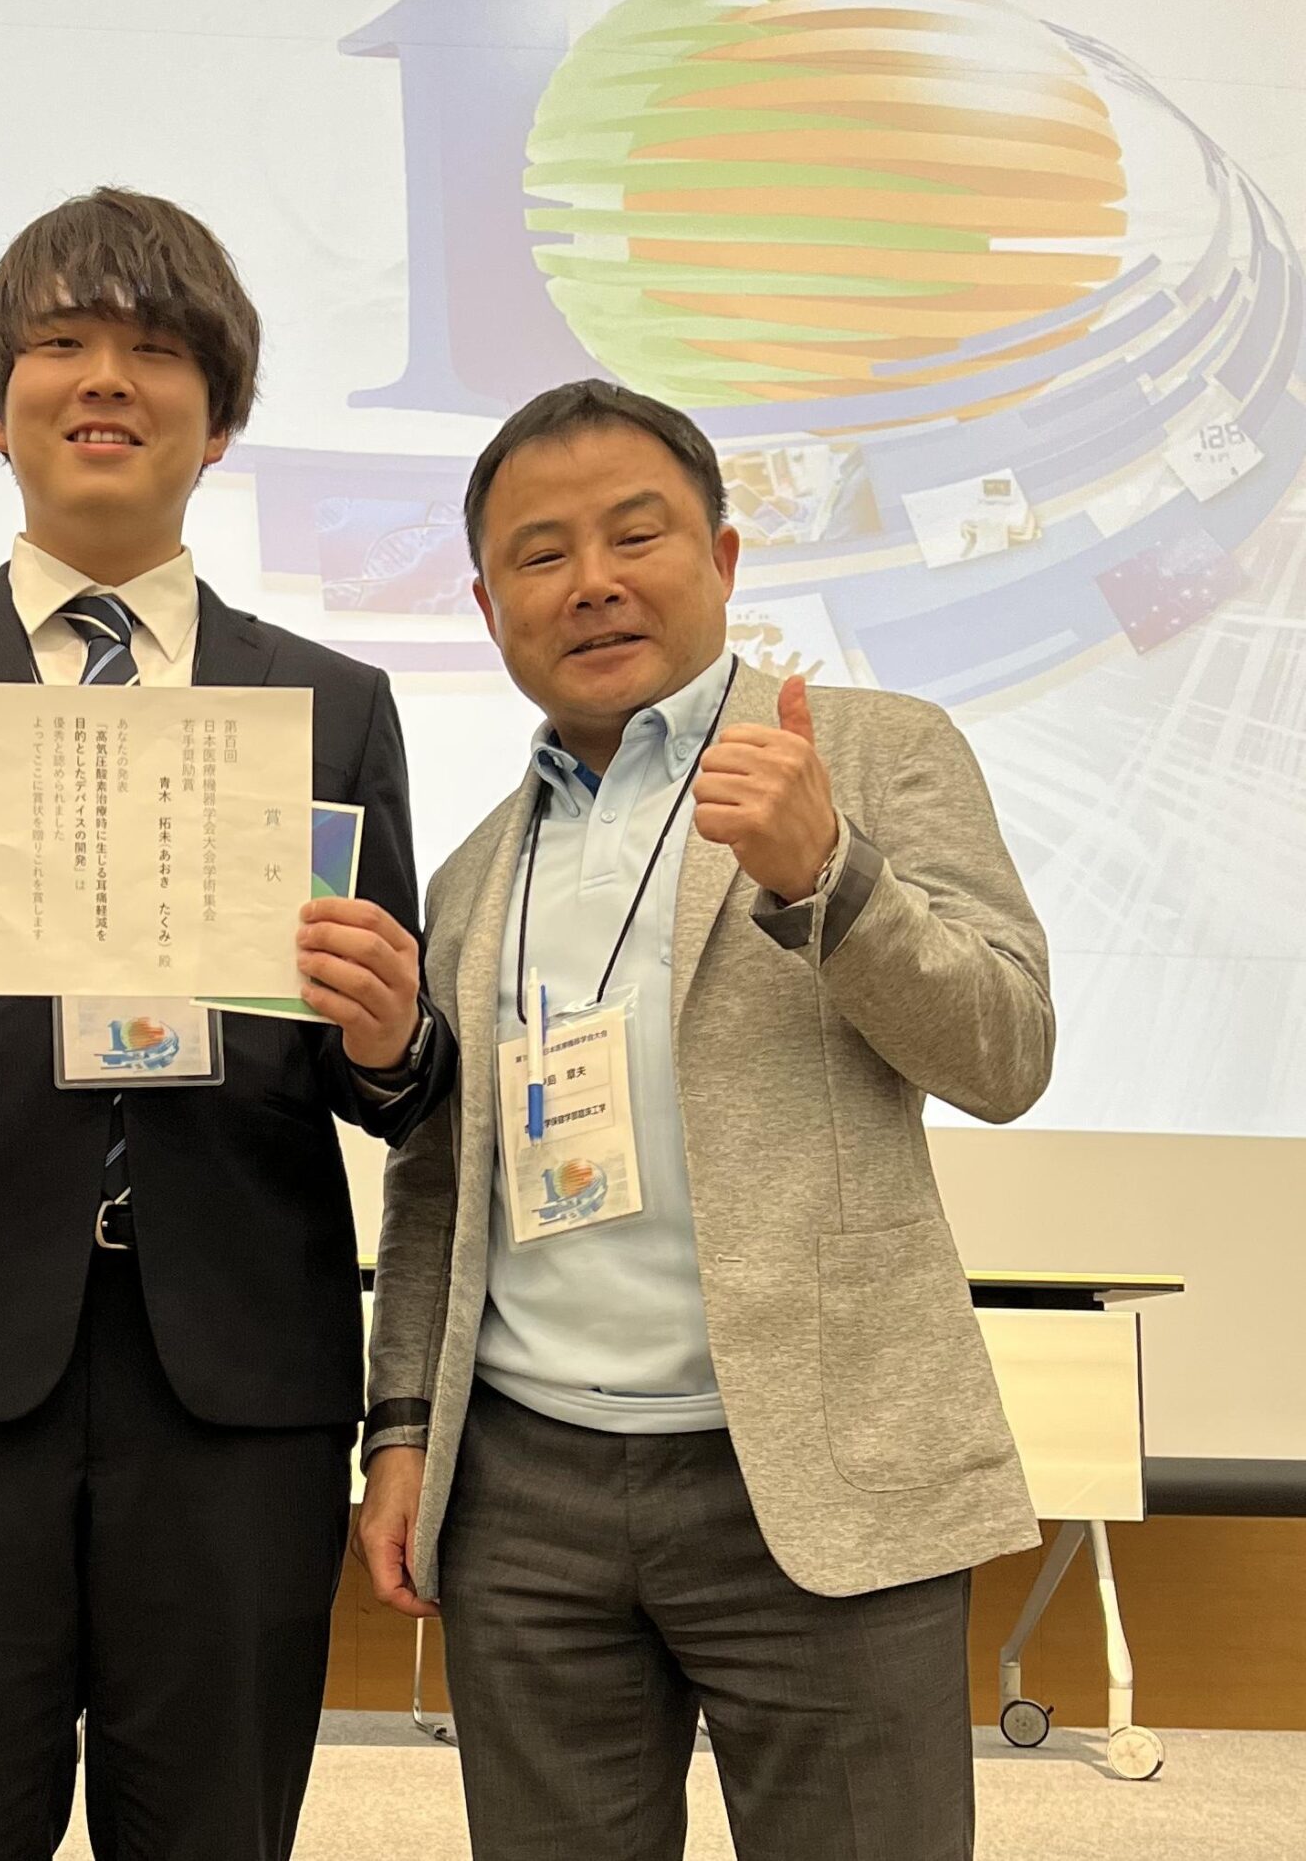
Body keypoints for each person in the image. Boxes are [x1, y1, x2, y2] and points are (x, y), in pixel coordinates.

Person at [0, 188, 449, 1861]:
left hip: (238, 1382)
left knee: (214, 1832)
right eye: (61, 343)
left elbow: (380, 1080)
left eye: (155, 348)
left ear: (222, 418)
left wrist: (389, 1037)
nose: (106, 378)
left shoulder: (332, 705)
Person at [358, 379, 1054, 1861]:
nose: (592, 582)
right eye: (540, 554)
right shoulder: (476, 873)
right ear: (487, 607)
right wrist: (403, 1431)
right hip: (525, 1496)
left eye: (636, 535)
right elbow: (438, 1184)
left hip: (818, 1464)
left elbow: (1008, 1054)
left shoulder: (871, 751)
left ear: (724, 560)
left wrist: (831, 876)